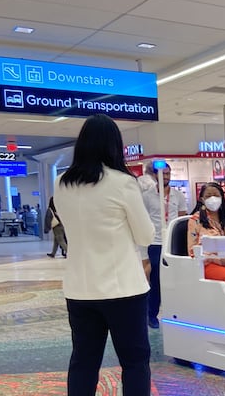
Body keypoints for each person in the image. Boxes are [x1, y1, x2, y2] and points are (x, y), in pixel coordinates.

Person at [53, 114, 155, 396]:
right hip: (123, 288)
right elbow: (145, 236)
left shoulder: (61, 183)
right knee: (134, 361)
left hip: (79, 287)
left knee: (84, 361)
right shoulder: (122, 182)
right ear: (114, 145)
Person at [139, 162, 187, 328]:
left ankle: (176, 313)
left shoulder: (178, 196)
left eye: (168, 174)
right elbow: (143, 220)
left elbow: (182, 220)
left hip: (172, 244)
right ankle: (151, 315)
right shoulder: (146, 196)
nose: (165, 177)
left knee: (176, 280)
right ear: (154, 175)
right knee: (156, 280)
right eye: (162, 174)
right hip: (155, 243)